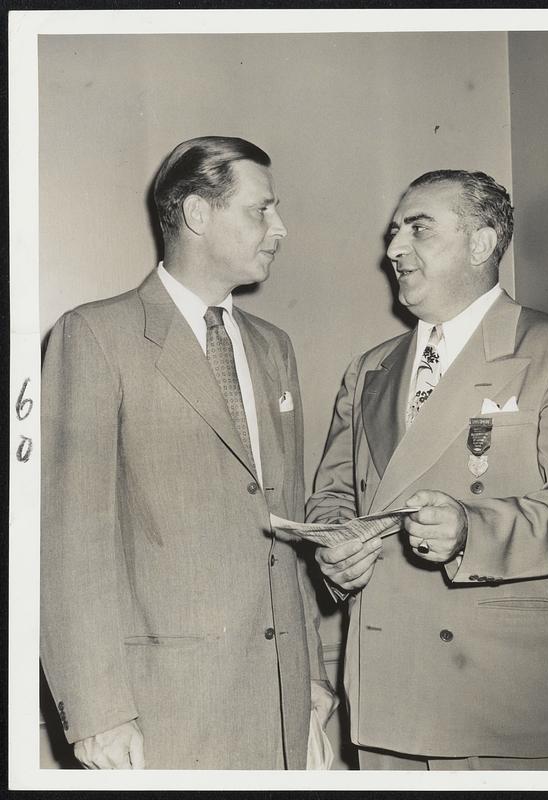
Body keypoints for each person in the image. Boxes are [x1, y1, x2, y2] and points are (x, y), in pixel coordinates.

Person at [40, 136, 335, 770]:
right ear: (198, 214)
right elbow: (70, 539)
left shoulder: (273, 347)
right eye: (262, 209)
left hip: (285, 703)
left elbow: (286, 525)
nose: (279, 229)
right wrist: (96, 712)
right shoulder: (95, 335)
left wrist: (310, 675)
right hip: (161, 708)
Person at [306, 169, 548, 770]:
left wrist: (472, 529)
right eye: (395, 232)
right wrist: (334, 545)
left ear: (481, 243)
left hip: (497, 700)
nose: (393, 249)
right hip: (382, 691)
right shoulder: (368, 369)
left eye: (418, 228)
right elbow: (334, 493)